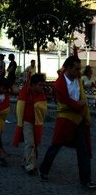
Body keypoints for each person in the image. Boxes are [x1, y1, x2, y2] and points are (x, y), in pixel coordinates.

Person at [39, 56, 96, 190]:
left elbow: (76, 101)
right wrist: (80, 104)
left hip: (78, 119)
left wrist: (81, 105)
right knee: (56, 146)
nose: (79, 72)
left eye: (79, 69)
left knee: (84, 150)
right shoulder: (59, 84)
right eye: (76, 69)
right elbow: (67, 102)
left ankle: (86, 180)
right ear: (69, 68)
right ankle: (43, 170)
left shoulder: (76, 78)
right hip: (65, 120)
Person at [12, 74, 47, 173]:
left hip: (36, 122)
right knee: (30, 143)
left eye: (42, 85)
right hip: (27, 121)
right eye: (40, 85)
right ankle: (30, 166)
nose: (42, 87)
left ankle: (25, 161)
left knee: (33, 143)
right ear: (32, 85)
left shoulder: (40, 94)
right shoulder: (26, 92)